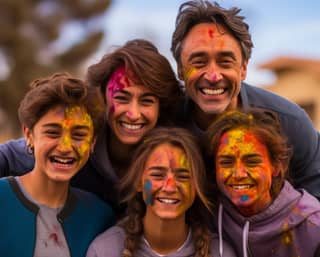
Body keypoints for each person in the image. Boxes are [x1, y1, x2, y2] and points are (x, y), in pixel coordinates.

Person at [0, 39, 183, 214]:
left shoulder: (175, 154)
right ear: (102, 97)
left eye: (147, 101)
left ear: (162, 107)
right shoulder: (77, 140)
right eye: (121, 98)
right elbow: (9, 157)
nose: (133, 114)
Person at [170, 0, 320, 200]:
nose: (213, 76)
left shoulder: (290, 123)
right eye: (199, 62)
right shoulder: (166, 120)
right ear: (180, 70)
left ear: (243, 68)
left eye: (225, 62)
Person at [0, 73, 115, 257]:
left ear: (92, 143)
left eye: (79, 135)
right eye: (52, 133)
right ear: (29, 135)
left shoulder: (99, 216)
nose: (64, 147)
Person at [86, 127, 236, 257]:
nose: (169, 187)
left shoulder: (221, 252)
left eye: (183, 176)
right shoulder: (105, 250)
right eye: (157, 175)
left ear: (196, 186)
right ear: (139, 181)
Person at [206, 108, 320, 257]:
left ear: (277, 166)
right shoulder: (208, 214)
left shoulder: (313, 226)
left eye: (252, 162)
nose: (238, 174)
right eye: (226, 162)